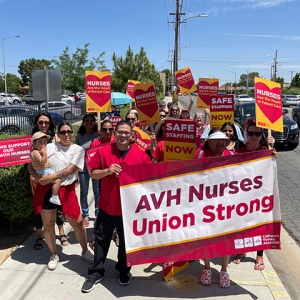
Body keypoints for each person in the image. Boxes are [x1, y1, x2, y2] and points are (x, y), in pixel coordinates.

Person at [81, 121, 152, 293]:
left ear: (131, 135)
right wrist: (107, 171)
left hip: (129, 209)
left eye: (127, 133)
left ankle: (123, 270)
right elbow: (92, 173)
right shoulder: (104, 151)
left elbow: (150, 177)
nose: (123, 135)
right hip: (107, 206)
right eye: (120, 132)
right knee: (101, 240)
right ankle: (96, 272)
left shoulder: (140, 155)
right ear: (115, 133)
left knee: (126, 242)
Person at [28, 122, 94, 271]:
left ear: (72, 133)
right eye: (63, 132)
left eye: (69, 131)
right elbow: (30, 166)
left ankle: (85, 251)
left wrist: (51, 176)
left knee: (77, 223)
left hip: (67, 190)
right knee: (49, 224)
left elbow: (71, 169)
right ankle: (54, 254)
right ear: (57, 134)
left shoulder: (78, 149)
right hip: (46, 189)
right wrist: (39, 179)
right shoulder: (49, 147)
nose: (66, 134)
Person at [232, 119, 276, 270]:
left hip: (260, 195)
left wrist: (272, 152)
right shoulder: (240, 151)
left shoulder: (266, 150)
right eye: (250, 133)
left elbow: (272, 169)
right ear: (246, 133)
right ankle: (242, 250)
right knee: (242, 224)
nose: (253, 136)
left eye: (257, 133)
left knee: (260, 225)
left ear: (261, 135)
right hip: (243, 196)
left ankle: (259, 255)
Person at [194, 129, 233, 288]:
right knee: (206, 238)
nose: (219, 143)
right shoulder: (201, 155)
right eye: (216, 140)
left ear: (226, 141)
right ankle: (207, 268)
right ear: (209, 141)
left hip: (227, 204)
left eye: (222, 140)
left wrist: (270, 154)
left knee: (226, 239)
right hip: (205, 205)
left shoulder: (232, 156)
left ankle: (224, 270)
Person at [30, 112, 68, 250]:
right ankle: (40, 235)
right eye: (41, 122)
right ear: (36, 124)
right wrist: (37, 177)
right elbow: (29, 164)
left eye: (46, 122)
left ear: (50, 123)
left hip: (54, 176)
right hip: (37, 178)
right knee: (39, 207)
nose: (44, 125)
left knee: (56, 204)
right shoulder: (32, 139)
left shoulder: (55, 138)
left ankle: (61, 232)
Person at [75, 114, 99, 227]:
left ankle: (98, 213)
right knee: (83, 192)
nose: (89, 122)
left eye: (91, 120)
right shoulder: (79, 137)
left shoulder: (98, 135)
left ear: (94, 123)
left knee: (97, 192)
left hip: (96, 168)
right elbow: (76, 152)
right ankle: (85, 215)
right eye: (87, 121)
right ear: (83, 123)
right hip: (84, 168)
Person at [31, 132, 62, 205]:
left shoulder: (38, 151)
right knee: (58, 180)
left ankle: (55, 195)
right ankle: (54, 196)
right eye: (40, 142)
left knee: (56, 180)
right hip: (44, 171)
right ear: (34, 144)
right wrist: (44, 153)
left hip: (44, 170)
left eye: (45, 142)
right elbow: (42, 162)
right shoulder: (35, 152)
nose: (43, 144)